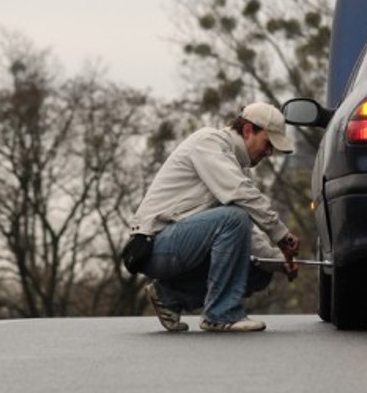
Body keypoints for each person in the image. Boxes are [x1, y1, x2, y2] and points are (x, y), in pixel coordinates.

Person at [128, 102, 301, 332]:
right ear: (248, 130)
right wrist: (281, 235)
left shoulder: (235, 166)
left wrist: (279, 261)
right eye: (268, 143)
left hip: (183, 245)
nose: (270, 152)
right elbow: (239, 198)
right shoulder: (209, 142)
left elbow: (245, 233)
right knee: (234, 218)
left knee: (260, 268)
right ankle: (220, 314)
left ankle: (168, 296)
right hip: (155, 246)